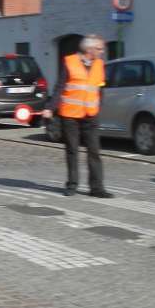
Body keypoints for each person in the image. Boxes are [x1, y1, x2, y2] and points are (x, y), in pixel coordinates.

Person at [42, 35, 113, 198]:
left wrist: (99, 105)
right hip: (71, 115)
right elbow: (60, 87)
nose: (103, 52)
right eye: (100, 49)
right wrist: (50, 108)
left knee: (94, 151)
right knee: (72, 150)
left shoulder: (99, 64)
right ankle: (72, 185)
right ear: (89, 49)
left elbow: (100, 88)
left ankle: (97, 188)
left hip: (91, 115)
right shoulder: (69, 62)